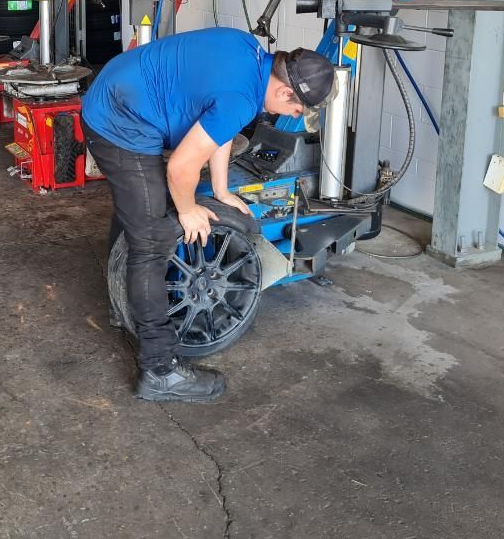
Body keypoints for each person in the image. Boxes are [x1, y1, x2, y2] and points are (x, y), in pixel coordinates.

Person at [81, 27, 336, 402]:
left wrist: (220, 191)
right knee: (151, 241)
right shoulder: (242, 98)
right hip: (120, 121)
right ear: (284, 92)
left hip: (117, 91)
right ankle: (160, 370)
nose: (290, 114)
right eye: (295, 110)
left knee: (137, 211)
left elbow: (219, 127)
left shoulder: (249, 50)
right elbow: (181, 169)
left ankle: (126, 307)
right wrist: (188, 210)